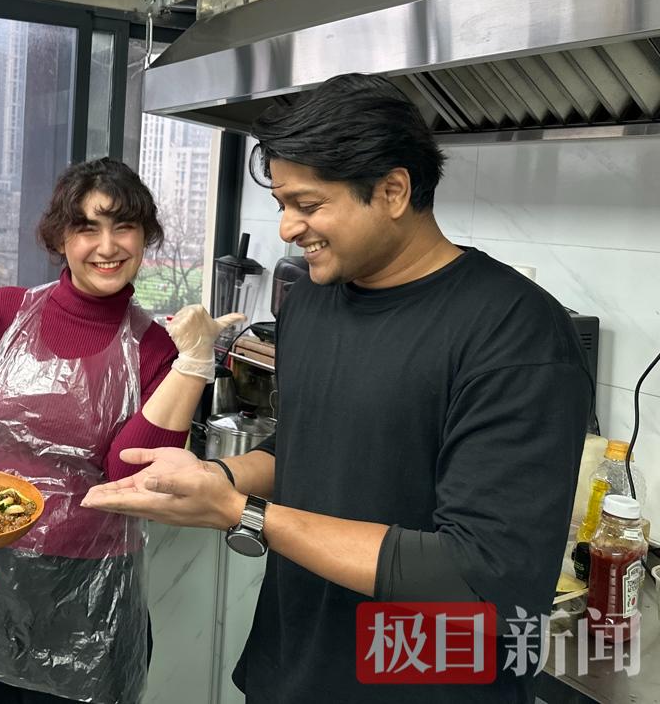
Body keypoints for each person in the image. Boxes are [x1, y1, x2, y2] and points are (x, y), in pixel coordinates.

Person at [83, 75, 591, 703]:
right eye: (282, 204)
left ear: (393, 190)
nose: (287, 229)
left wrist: (243, 514)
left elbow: (481, 578)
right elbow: (309, 450)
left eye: (307, 204)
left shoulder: (515, 333)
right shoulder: (312, 302)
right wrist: (220, 478)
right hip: (289, 670)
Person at [0, 157, 242, 704]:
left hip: (84, 599)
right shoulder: (5, 313)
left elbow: (128, 475)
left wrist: (193, 364)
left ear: (144, 237)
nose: (107, 246)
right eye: (87, 227)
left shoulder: (154, 347)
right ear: (60, 238)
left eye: (123, 226)